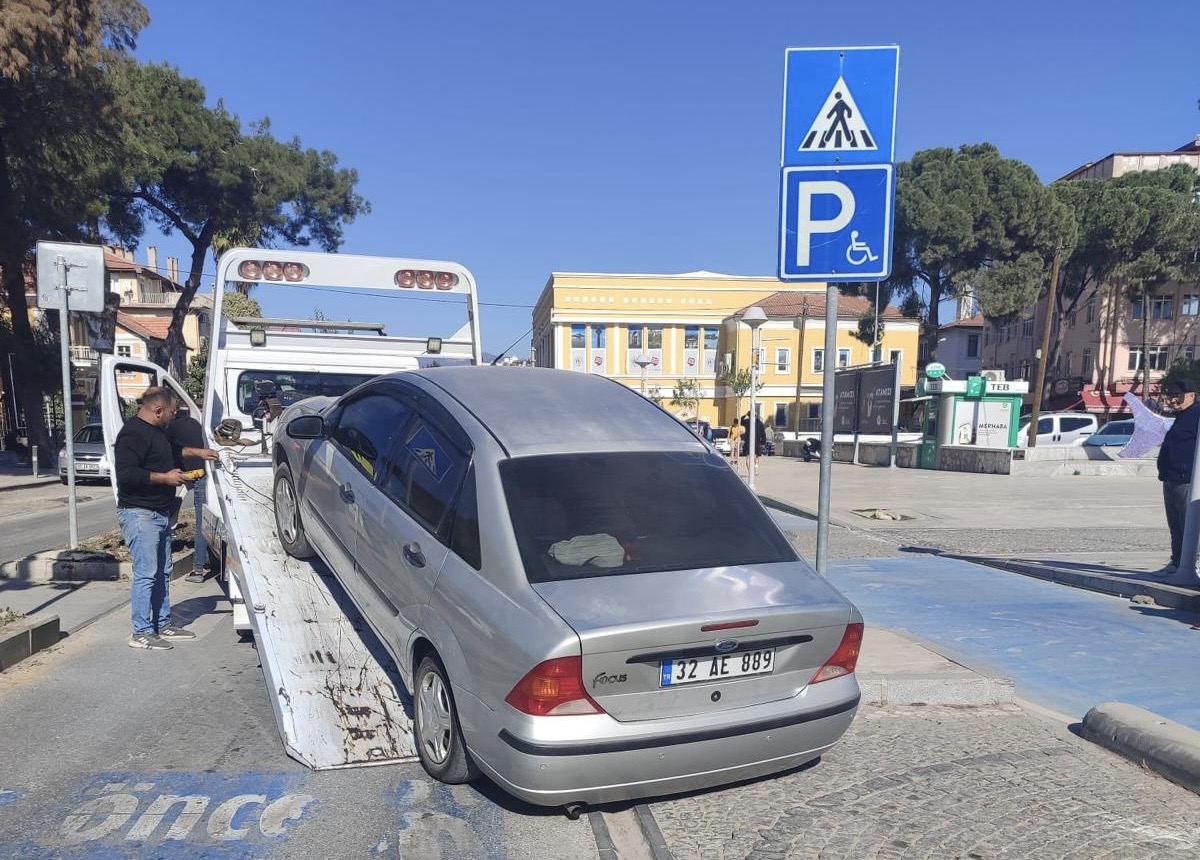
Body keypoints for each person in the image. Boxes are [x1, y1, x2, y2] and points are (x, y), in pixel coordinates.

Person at [114, 386, 219, 650]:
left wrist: (199, 453)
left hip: (161, 512)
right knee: (147, 573)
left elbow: (174, 451)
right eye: (173, 412)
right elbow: (126, 474)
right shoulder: (132, 434)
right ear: (158, 410)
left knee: (163, 572)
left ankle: (162, 624)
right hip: (140, 513)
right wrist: (165, 478)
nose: (174, 416)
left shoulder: (158, 432)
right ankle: (140, 632)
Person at [1154, 378, 1199, 580]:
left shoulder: (1196, 414)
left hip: (1187, 479)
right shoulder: (1181, 417)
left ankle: (1192, 563)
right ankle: (1177, 562)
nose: (1173, 400)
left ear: (1191, 396)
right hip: (1171, 478)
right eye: (1170, 396)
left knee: (1189, 524)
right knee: (1175, 525)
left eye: (1177, 396)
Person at [167, 405, 211, 583]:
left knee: (201, 524)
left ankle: (198, 570)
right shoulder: (196, 424)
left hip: (194, 475)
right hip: (207, 473)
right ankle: (206, 562)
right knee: (206, 521)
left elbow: (170, 453)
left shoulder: (171, 429)